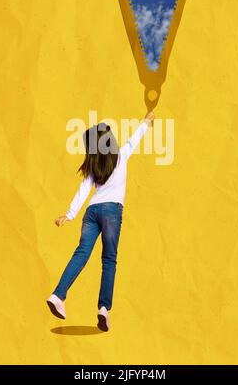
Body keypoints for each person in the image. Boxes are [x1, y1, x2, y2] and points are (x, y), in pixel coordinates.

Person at [47, 111, 155, 331]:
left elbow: (83, 189)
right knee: (109, 260)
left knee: (81, 253)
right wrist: (147, 121)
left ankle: (58, 295)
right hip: (112, 212)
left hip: (91, 212)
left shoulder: (93, 167)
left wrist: (68, 215)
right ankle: (103, 308)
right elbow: (135, 138)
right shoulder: (121, 155)